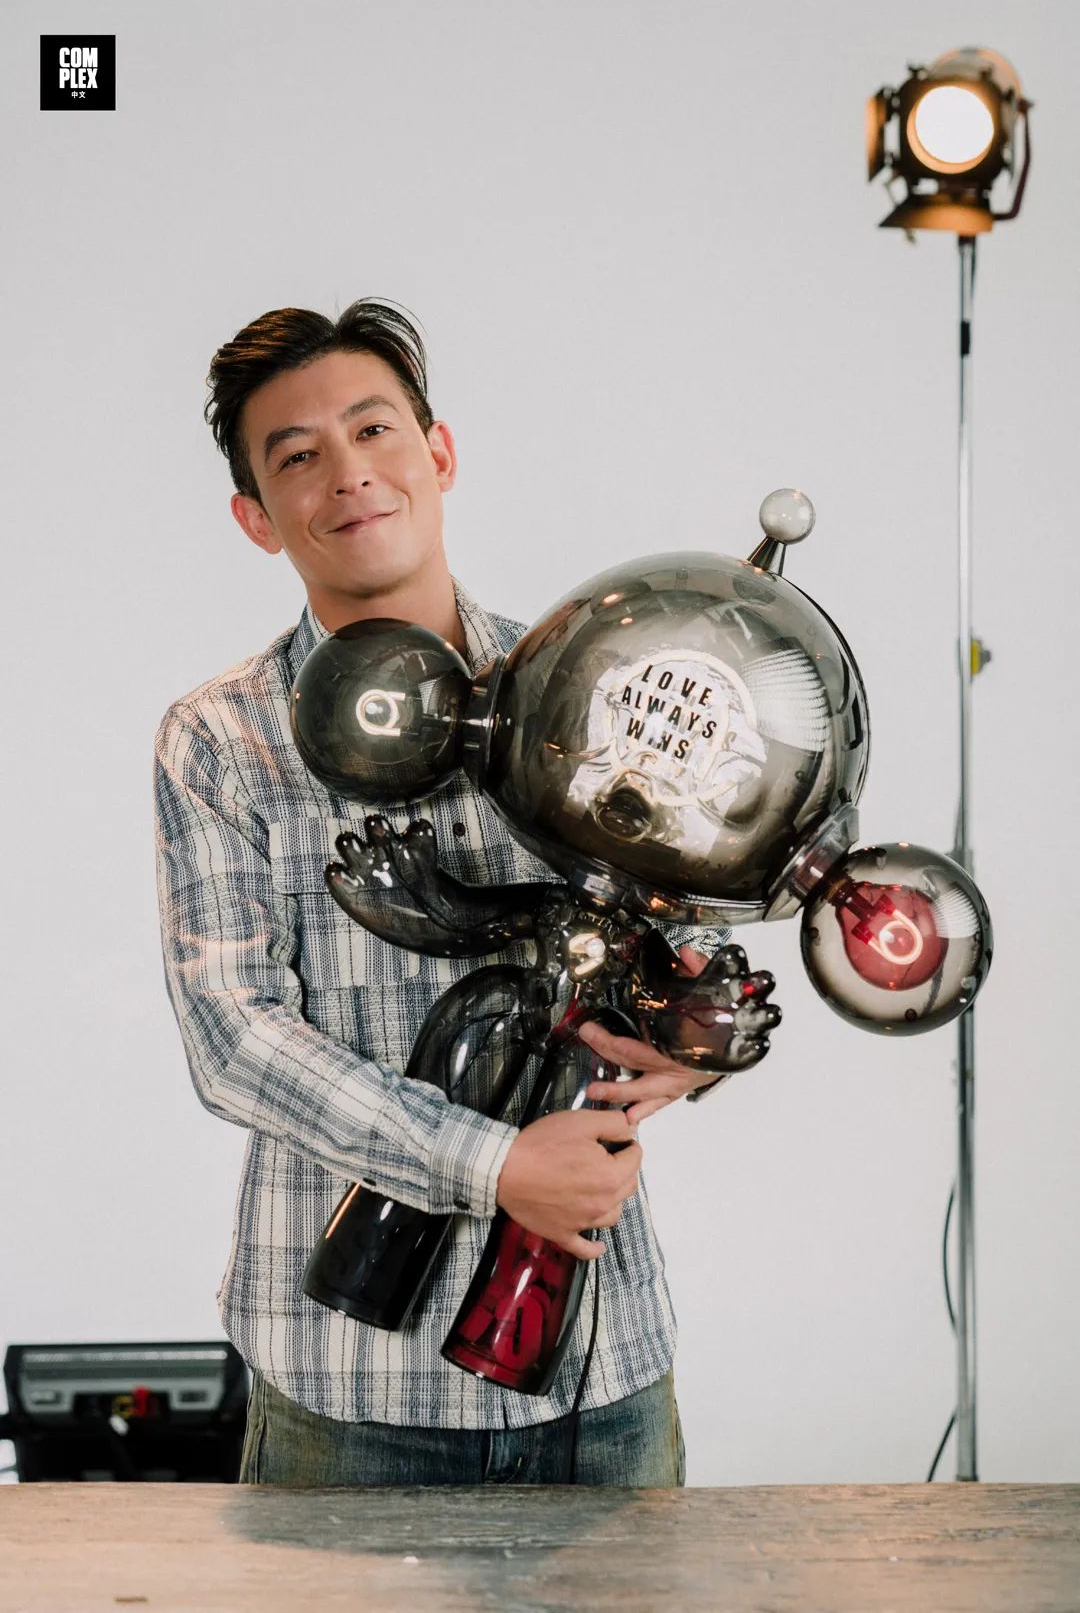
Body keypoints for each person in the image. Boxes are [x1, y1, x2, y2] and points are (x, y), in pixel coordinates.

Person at [153, 298, 730, 1487]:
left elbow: (692, 923)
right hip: (344, 1390)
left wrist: (696, 1037)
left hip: (600, 1369)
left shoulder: (593, 692)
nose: (349, 474)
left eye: (374, 430)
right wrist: (493, 1166)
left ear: (440, 451)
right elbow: (235, 1041)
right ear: (256, 518)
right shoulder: (220, 738)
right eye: (298, 456)